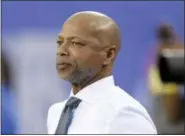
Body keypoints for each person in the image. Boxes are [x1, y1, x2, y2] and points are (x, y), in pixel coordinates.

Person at [47, 11, 157, 134]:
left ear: (108, 55)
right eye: (60, 42)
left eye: (76, 43)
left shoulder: (123, 114)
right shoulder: (56, 112)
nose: (62, 51)